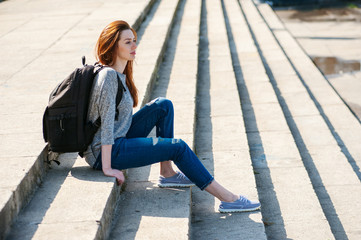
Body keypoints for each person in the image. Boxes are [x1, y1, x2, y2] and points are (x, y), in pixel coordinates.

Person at [83, 20, 260, 213]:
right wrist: (107, 168)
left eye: (134, 40)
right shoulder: (108, 77)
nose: (134, 46)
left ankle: (167, 173)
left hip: (118, 139)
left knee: (163, 105)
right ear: (112, 46)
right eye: (127, 42)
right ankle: (228, 198)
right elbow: (107, 125)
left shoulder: (118, 74)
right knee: (178, 147)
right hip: (105, 152)